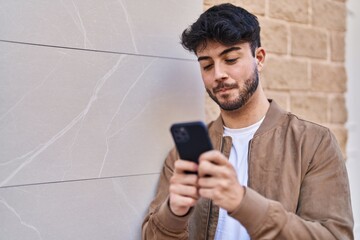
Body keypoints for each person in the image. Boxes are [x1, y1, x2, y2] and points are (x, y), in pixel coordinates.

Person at [142, 3, 354, 239]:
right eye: (207, 65)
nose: (218, 74)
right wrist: (173, 213)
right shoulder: (182, 156)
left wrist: (243, 202)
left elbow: (335, 236)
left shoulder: (313, 143)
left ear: (259, 58)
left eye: (231, 59)